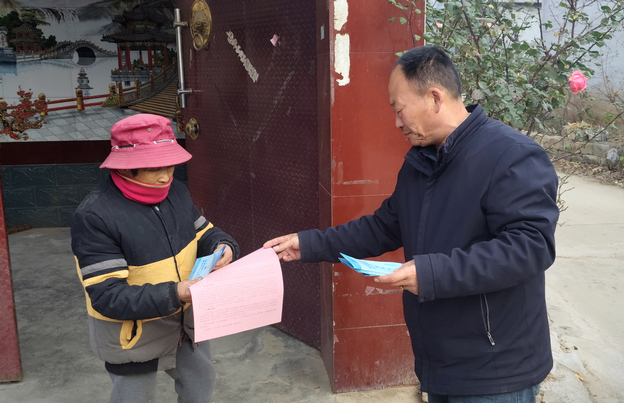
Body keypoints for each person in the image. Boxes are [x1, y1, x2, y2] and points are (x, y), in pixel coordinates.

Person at [263, 46, 559, 402]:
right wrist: (309, 244)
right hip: (439, 362)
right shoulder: (421, 162)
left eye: (399, 109)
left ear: (435, 98)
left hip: (496, 370)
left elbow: (530, 247)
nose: (397, 122)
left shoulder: (511, 154)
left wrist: (431, 273)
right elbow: (382, 228)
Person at [71, 114, 239, 403]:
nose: (165, 176)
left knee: (201, 383)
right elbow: (107, 296)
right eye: (153, 168)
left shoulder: (176, 192)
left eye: (170, 164)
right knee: (134, 397)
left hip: (183, 319)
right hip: (132, 331)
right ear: (126, 166)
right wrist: (176, 292)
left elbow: (204, 233)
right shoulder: (95, 216)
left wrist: (222, 246)